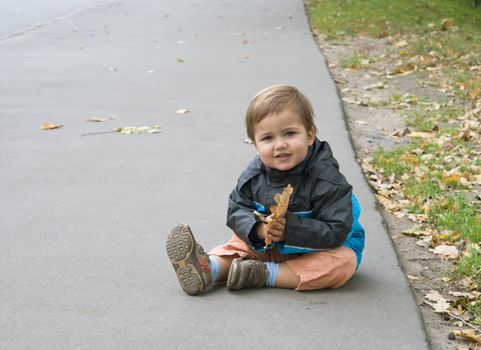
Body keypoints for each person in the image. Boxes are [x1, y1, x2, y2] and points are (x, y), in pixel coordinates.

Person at [166, 85, 365, 295]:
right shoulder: (254, 176)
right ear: (255, 144)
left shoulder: (327, 180)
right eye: (268, 138)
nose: (280, 145)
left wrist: (290, 230)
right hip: (269, 247)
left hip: (323, 248)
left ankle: (265, 274)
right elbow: (237, 209)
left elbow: (336, 230)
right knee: (239, 244)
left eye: (289, 133)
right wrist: (258, 230)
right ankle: (210, 269)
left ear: (309, 135)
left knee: (342, 262)